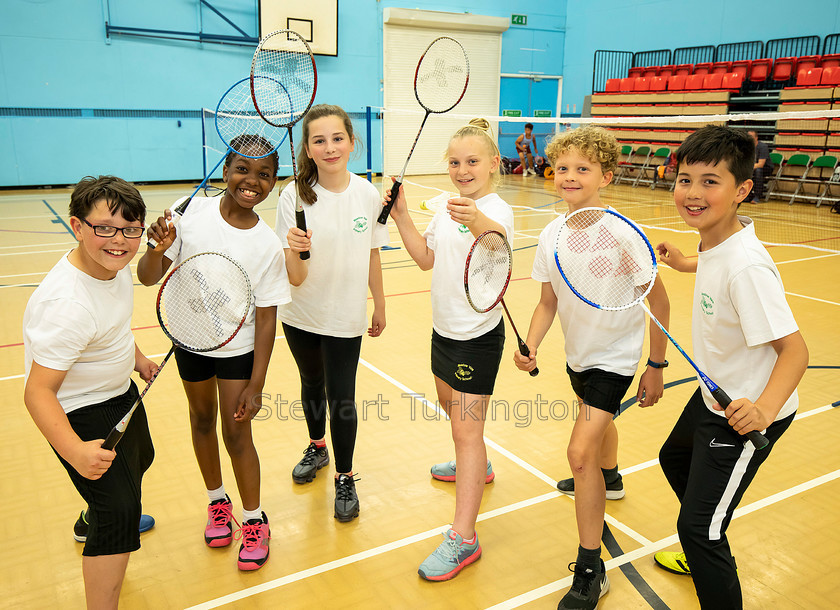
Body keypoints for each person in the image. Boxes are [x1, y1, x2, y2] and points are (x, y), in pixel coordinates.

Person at [513, 125, 670, 610]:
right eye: (563, 168)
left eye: (583, 169)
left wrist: (657, 364)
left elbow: (658, 301)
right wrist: (532, 344)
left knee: (580, 452)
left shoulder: (621, 233)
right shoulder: (551, 233)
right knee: (595, 433)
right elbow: (546, 302)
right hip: (578, 355)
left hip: (616, 359)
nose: (570, 176)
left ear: (606, 175)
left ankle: (590, 566)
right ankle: (614, 477)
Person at [654, 125, 808, 608]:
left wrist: (762, 409)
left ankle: (707, 540)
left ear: (742, 189)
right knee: (673, 459)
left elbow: (796, 350)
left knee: (697, 529)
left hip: (746, 412)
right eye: (685, 179)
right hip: (714, 396)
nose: (693, 193)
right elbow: (715, 262)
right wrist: (684, 264)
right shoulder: (715, 240)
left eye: (710, 182)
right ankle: (710, 531)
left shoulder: (748, 269)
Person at [137, 135, 290, 571]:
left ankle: (254, 519)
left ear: (272, 184)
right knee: (201, 420)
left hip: (237, 350)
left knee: (237, 434)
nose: (251, 181)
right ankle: (216, 502)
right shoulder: (188, 211)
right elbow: (148, 277)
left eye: (264, 175)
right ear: (225, 171)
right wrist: (159, 248)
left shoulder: (266, 244)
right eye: (243, 168)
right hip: (191, 341)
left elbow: (266, 319)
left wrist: (257, 385)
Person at [385, 118, 514, 581]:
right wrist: (402, 215)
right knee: (453, 413)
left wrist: (474, 217)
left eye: (473, 161)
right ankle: (473, 466)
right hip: (444, 331)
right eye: (455, 162)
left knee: (466, 432)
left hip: (477, 338)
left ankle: (465, 538)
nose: (463, 170)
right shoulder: (445, 208)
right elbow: (425, 260)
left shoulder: (498, 209)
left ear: (493, 164)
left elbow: (498, 246)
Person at [23, 175, 156, 609]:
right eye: (104, 228)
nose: (119, 241)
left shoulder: (110, 268)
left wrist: (137, 359)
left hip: (120, 392)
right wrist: (76, 451)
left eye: (130, 229)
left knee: (143, 459)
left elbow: (113, 326)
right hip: (80, 412)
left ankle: (90, 515)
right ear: (78, 226)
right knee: (119, 515)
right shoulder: (67, 305)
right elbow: (38, 393)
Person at [277, 104, 387, 523]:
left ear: (351, 142)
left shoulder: (367, 194)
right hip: (301, 311)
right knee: (311, 382)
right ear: (307, 147)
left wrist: (380, 300)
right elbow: (297, 278)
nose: (329, 147)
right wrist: (294, 246)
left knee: (341, 395)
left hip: (345, 314)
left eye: (337, 138)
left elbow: (373, 251)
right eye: (319, 140)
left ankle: (344, 475)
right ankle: (317, 446)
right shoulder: (294, 196)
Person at [747, 130, 773, 203]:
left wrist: (748, 167)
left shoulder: (763, 147)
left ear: (756, 138)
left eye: (751, 137)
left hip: (766, 168)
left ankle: (757, 196)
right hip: (753, 168)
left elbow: (760, 164)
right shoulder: (746, 148)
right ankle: (747, 196)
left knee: (758, 171)